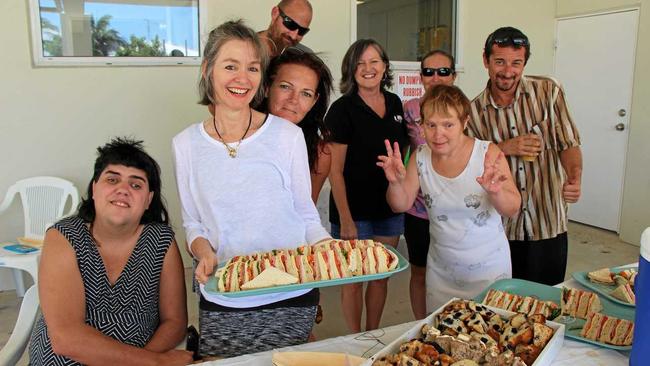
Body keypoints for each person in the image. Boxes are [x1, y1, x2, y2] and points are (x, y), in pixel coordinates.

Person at [172, 20, 330, 358]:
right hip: (225, 293)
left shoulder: (286, 136)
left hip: (292, 288)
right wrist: (203, 252)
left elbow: (304, 211)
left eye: (252, 68)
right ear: (207, 69)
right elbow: (193, 224)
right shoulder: (185, 144)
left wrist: (328, 249)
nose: (242, 79)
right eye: (231, 66)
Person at [29, 138, 192, 366]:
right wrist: (155, 362)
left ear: (148, 200)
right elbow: (65, 339)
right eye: (112, 179)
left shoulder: (161, 241)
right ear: (94, 188)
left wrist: (142, 360)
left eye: (136, 185)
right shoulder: (64, 236)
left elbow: (174, 322)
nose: (123, 190)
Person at [378, 84, 521, 312]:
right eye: (430, 124)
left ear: (464, 123)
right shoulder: (421, 156)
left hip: (489, 274)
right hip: (442, 273)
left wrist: (496, 192)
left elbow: (512, 208)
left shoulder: (487, 154)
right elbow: (400, 204)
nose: (438, 134)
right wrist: (395, 183)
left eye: (448, 124)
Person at [467, 26, 582, 286]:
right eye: (500, 62)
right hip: (503, 230)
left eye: (516, 63)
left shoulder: (549, 92)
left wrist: (575, 177)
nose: (508, 71)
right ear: (486, 61)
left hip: (548, 220)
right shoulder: (473, 112)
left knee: (550, 299)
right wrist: (505, 148)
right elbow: (471, 163)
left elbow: (569, 143)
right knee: (508, 304)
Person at [326, 39, 408, 332]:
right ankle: (355, 337)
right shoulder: (341, 110)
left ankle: (373, 332)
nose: (368, 68)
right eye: (360, 63)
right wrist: (346, 220)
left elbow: (405, 154)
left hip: (388, 209)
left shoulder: (396, 104)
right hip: (354, 213)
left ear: (385, 66)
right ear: (351, 70)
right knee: (353, 279)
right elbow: (334, 171)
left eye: (374, 61)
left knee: (380, 275)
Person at [401, 49, 456, 320]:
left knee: (450, 268)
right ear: (421, 77)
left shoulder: (465, 110)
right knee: (419, 269)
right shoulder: (409, 109)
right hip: (419, 209)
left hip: (455, 208)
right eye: (429, 71)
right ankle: (420, 323)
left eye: (443, 71)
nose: (436, 77)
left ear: (454, 76)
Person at [264, 47, 333, 203]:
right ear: (267, 88)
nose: (294, 100)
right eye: (286, 86)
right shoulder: (239, 136)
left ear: (314, 101)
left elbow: (307, 213)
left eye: (306, 93)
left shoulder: (320, 153)